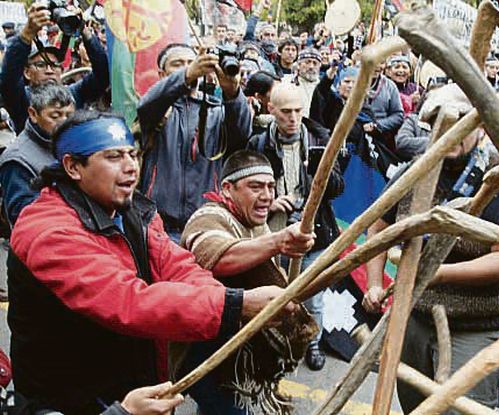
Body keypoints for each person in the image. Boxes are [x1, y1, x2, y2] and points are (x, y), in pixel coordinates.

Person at [8, 111, 297, 414]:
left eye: (132, 154)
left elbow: (177, 265)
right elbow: (128, 300)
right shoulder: (47, 230)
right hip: (74, 400)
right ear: (73, 166)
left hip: (134, 387)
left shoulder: (131, 212)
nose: (131, 167)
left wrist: (227, 301)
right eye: (113, 156)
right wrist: (236, 305)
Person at [363, 85, 499, 413]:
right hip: (416, 318)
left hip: (474, 327)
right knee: (415, 404)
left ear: (478, 128)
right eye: (441, 124)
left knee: (458, 410)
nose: (451, 134)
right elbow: (378, 228)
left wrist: (437, 273)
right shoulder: (414, 171)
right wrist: (375, 282)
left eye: (461, 124)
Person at [180, 150, 318, 414]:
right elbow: (215, 256)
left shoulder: (256, 223)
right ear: (227, 189)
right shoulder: (209, 216)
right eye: (255, 187)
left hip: (235, 356)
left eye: (270, 187)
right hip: (205, 354)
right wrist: (279, 242)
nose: (266, 195)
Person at [247, 83, 346, 371]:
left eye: (298, 111)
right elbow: (247, 188)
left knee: (313, 296)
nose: (293, 117)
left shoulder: (321, 138)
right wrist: (270, 201)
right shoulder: (258, 144)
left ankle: (312, 342)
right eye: (286, 111)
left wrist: (319, 175)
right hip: (273, 233)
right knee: (275, 294)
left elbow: (338, 187)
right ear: (271, 110)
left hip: (314, 233)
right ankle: (278, 345)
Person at [136, 43, 251, 241]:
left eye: (192, 62)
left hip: (205, 225)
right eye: (178, 64)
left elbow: (242, 133)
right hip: (157, 226)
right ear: (163, 75)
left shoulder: (216, 112)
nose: (189, 67)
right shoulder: (159, 111)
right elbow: (146, 105)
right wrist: (186, 75)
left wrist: (232, 93)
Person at [0, 1, 109, 133]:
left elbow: (103, 75)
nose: (50, 70)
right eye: (41, 65)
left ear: (62, 70)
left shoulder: (74, 94)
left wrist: (84, 31)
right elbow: (8, 79)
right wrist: (27, 33)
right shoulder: (22, 98)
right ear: (27, 72)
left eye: (55, 65)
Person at [0, 84, 74, 227]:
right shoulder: (17, 160)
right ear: (33, 114)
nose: (64, 122)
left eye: (69, 116)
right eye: (55, 116)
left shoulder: (75, 143)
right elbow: (24, 217)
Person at [292, 48, 323, 118]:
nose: (311, 67)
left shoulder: (325, 88)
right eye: (307, 62)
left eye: (315, 63)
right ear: (299, 65)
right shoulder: (289, 84)